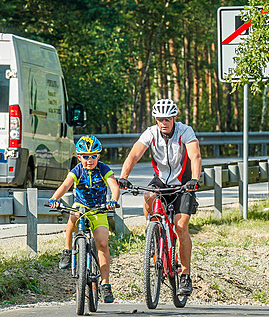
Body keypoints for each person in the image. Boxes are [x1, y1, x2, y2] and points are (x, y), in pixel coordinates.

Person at [118, 98, 202, 296]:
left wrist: (195, 179)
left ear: (174, 118)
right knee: (148, 194)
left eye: (167, 119)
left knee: (181, 227)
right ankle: (153, 231)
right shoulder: (151, 133)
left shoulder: (185, 131)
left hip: (184, 183)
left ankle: (186, 276)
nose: (163, 123)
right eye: (159, 119)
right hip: (162, 180)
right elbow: (134, 155)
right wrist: (124, 177)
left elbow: (195, 156)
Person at [48, 135, 120, 303]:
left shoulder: (103, 169)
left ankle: (105, 284)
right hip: (81, 206)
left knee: (102, 242)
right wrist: (54, 199)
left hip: (99, 209)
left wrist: (112, 201)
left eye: (94, 156)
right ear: (79, 157)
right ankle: (67, 250)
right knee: (73, 216)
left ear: (99, 156)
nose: (90, 160)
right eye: (85, 156)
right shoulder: (77, 171)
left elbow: (114, 187)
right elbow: (65, 185)